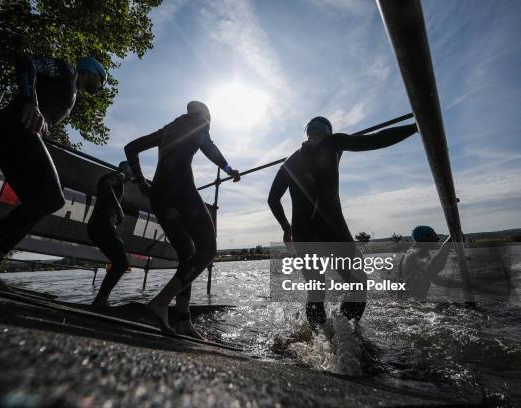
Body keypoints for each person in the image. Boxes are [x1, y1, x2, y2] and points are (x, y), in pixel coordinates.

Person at [0, 55, 107, 286]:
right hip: (16, 128)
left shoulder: (69, 91)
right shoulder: (67, 71)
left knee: (38, 203)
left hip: (11, 135)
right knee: (53, 199)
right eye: (101, 80)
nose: (101, 87)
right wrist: (30, 101)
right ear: (91, 72)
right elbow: (26, 61)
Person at [268, 116, 418, 329]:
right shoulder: (333, 142)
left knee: (316, 290)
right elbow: (374, 140)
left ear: (308, 132)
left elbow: (272, 199)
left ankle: (318, 338)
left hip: (302, 233)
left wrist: (286, 227)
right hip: (331, 228)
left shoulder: (289, 163)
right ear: (327, 132)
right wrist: (414, 127)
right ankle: (346, 332)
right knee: (358, 283)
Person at [124, 101, 241, 338]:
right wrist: (230, 170)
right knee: (207, 250)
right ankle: (160, 302)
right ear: (205, 115)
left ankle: (184, 320)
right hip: (181, 191)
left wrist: (139, 180)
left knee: (188, 254)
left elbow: (131, 148)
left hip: (159, 194)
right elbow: (211, 149)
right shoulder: (200, 122)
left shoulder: (167, 129)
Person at [88, 162, 133, 308]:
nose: (132, 177)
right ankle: (100, 300)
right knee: (122, 263)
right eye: (132, 172)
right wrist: (119, 208)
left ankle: (101, 299)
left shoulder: (118, 181)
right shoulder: (119, 175)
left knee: (120, 263)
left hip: (99, 226)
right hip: (101, 226)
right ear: (127, 169)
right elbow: (105, 185)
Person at [397, 226, 453, 301]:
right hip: (415, 305)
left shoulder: (407, 254)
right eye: (434, 236)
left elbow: (435, 279)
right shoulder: (421, 253)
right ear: (426, 238)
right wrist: (448, 243)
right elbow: (433, 269)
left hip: (406, 303)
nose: (438, 239)